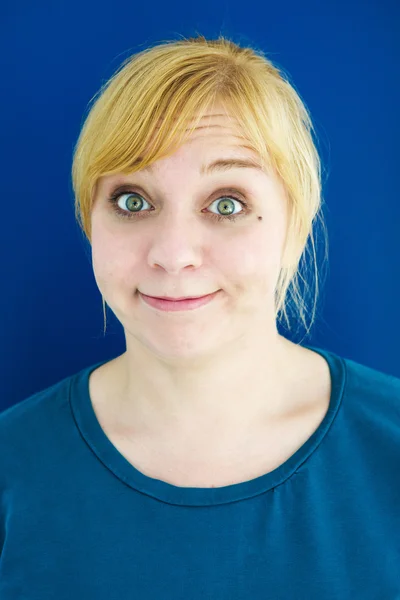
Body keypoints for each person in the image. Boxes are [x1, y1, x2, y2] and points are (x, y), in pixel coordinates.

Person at [1, 34, 399, 599]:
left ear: (297, 226)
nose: (173, 253)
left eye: (227, 204)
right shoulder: (12, 468)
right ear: (91, 223)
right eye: (133, 201)